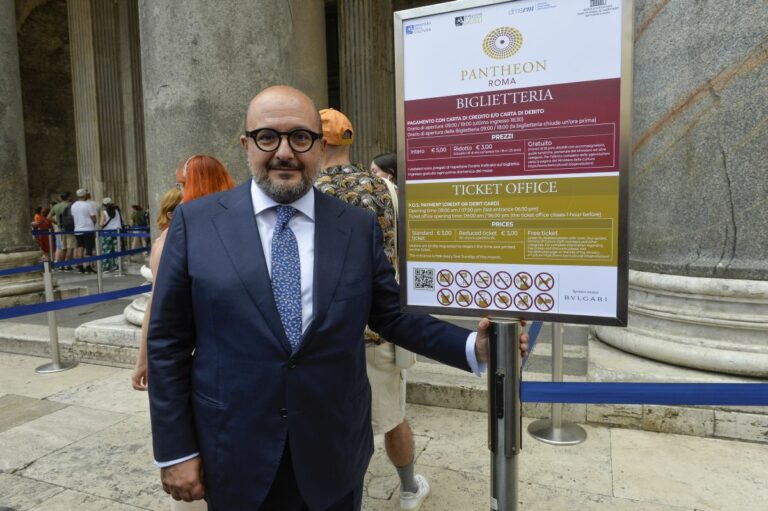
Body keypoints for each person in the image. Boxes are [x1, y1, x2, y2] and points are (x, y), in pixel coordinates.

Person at [147, 85, 529, 511]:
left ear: (319, 144)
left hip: (333, 451)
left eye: (301, 137)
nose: (285, 152)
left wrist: (471, 345)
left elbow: (392, 316)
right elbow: (168, 343)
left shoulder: (355, 226)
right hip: (233, 449)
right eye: (268, 137)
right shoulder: (195, 223)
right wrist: (176, 450)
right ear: (246, 144)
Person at [316, 111, 426, 510]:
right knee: (392, 416)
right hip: (379, 327)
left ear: (319, 143)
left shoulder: (307, 191)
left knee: (330, 424)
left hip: (324, 332)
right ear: (347, 141)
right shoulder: (386, 187)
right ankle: (410, 489)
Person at [71, 188, 98, 273]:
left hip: (78, 229)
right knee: (89, 248)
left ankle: (80, 265)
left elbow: (73, 216)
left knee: (80, 247)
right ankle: (88, 265)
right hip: (88, 229)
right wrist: (93, 224)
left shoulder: (73, 205)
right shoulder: (87, 205)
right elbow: (93, 217)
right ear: (85, 195)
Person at [47, 192, 76, 270]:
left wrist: (57, 223)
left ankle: (61, 265)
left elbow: (49, 217)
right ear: (68, 197)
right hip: (70, 229)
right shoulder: (71, 205)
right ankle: (68, 265)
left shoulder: (56, 206)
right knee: (70, 248)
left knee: (63, 248)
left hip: (61, 228)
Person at [100, 198, 123, 272]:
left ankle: (106, 267)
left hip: (107, 233)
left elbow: (101, 224)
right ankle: (116, 266)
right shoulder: (117, 211)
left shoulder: (104, 212)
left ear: (104, 205)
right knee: (116, 249)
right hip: (117, 232)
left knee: (107, 250)